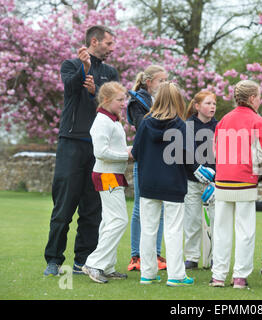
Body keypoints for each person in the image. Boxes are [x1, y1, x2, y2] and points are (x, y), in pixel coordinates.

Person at [43, 25, 119, 276]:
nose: (112, 48)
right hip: (71, 144)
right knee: (64, 206)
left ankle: (82, 262)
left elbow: (113, 104)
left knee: (93, 209)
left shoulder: (111, 72)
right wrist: (84, 70)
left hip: (98, 150)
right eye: (108, 43)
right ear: (94, 42)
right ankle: (53, 260)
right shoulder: (70, 64)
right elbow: (70, 88)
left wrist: (94, 91)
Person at [131, 82, 215, 286]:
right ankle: (176, 275)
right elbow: (189, 158)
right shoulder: (180, 125)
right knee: (173, 229)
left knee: (148, 229)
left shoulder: (144, 123)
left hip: (148, 182)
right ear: (178, 100)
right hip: (173, 183)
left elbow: (135, 153)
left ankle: (148, 273)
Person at [210, 80, 262, 289]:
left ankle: (218, 276)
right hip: (245, 181)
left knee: (221, 230)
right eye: (259, 96)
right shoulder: (257, 120)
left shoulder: (224, 119)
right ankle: (239, 277)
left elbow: (216, 151)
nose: (261, 100)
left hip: (223, 180)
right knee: (245, 230)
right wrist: (261, 174)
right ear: (252, 98)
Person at [81, 81, 132, 283]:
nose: (123, 104)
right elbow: (100, 152)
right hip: (107, 175)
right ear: (106, 100)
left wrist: (128, 150)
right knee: (120, 220)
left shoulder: (111, 120)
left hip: (112, 174)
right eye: (120, 100)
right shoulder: (102, 121)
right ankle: (94, 263)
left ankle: (107, 266)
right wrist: (126, 156)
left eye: (124, 99)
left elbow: (115, 147)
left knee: (110, 220)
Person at [126, 65, 168, 272]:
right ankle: (136, 256)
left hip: (161, 159)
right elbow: (144, 127)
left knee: (159, 208)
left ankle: (156, 254)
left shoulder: (164, 102)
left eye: (166, 81)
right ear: (149, 81)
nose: (164, 85)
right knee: (139, 209)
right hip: (144, 158)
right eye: (161, 81)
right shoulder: (137, 101)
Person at [183, 91, 218, 269]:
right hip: (191, 181)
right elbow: (185, 153)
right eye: (208, 103)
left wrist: (215, 178)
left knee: (216, 220)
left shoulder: (218, 126)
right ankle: (192, 257)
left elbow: (222, 154)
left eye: (214, 104)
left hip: (213, 183)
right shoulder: (187, 125)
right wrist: (197, 170)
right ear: (197, 106)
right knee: (192, 220)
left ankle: (215, 258)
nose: (212, 107)